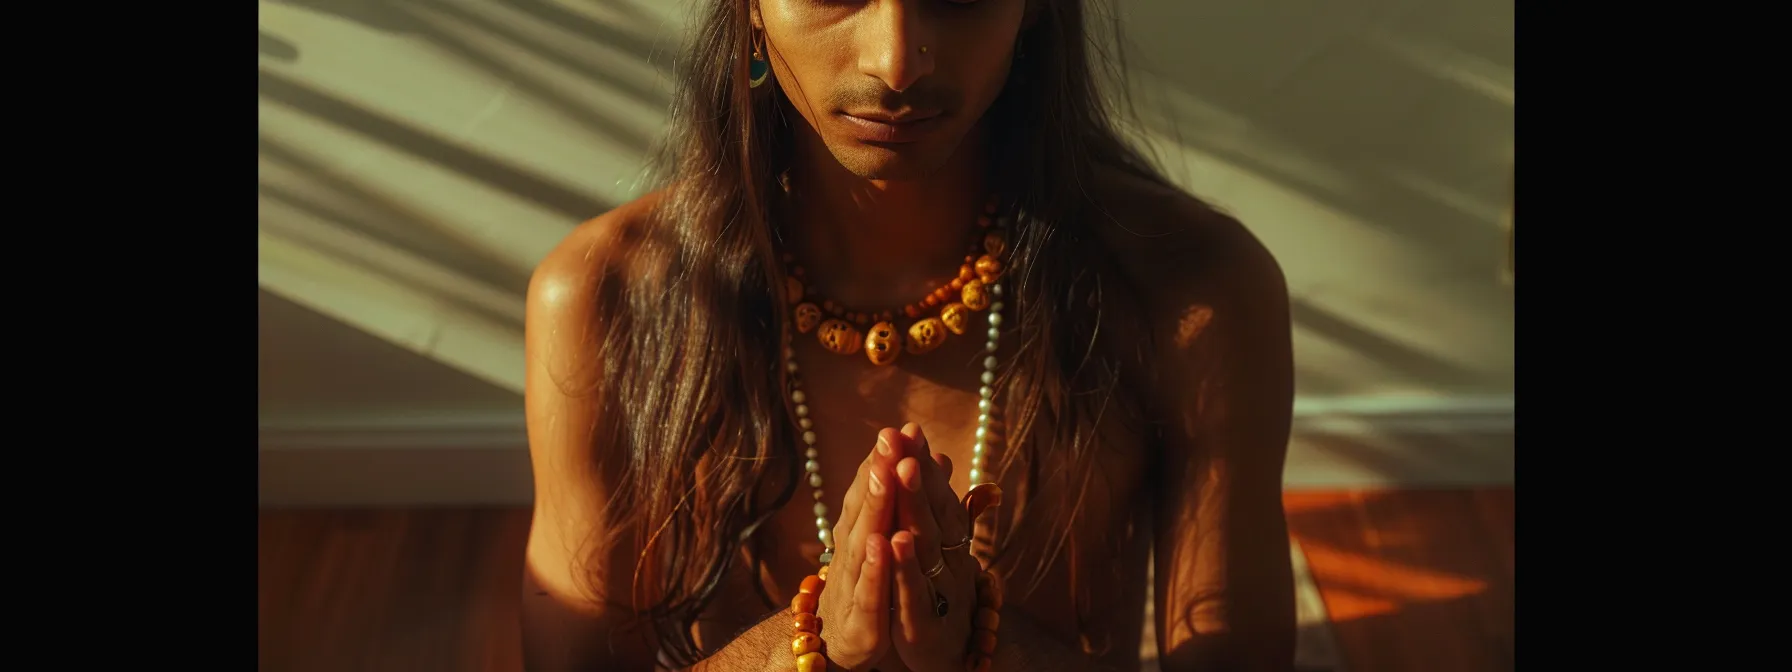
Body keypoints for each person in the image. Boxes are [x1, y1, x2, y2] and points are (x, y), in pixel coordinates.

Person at [521, 1, 1296, 670]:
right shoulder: (604, 296)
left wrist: (981, 649)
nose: (895, 63)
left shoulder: (1193, 292)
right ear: (749, 7)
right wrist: (811, 643)